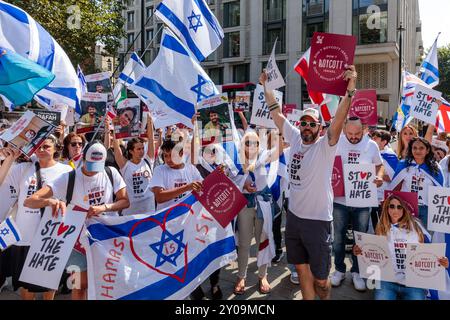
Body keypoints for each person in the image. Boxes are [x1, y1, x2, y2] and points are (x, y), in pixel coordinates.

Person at [261, 65, 358, 300]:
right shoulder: (294, 137)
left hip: (318, 223)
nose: (306, 127)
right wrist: (265, 86)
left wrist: (350, 89)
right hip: (294, 219)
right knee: (302, 269)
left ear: (319, 128)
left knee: (322, 282)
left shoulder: (326, 146)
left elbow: (339, 118)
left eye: (311, 124)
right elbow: (276, 112)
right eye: (303, 123)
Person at [24, 141, 130, 300]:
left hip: (105, 238)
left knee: (107, 283)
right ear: (83, 159)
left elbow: (125, 201)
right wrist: (49, 201)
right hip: (76, 243)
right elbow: (29, 201)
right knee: (79, 286)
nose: (93, 172)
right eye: (89, 166)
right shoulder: (68, 178)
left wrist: (104, 207)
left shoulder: (111, 172)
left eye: (97, 167)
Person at [0, 135, 73, 300]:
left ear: (56, 148)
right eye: (38, 146)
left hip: (52, 237)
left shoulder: (66, 170)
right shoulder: (23, 168)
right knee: (26, 287)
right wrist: (9, 158)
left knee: (49, 284)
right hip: (24, 235)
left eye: (46, 146)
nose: (41, 150)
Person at [353, 194, 448, 300]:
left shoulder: (416, 225)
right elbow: (370, 250)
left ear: (404, 209)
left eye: (399, 207)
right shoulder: (381, 227)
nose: (395, 210)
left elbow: (432, 249)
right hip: (387, 281)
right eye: (392, 206)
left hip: (413, 283)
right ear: (387, 208)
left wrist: (441, 260)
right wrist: (359, 250)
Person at [331, 117, 384, 291]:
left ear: (365, 129)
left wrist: (380, 177)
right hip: (340, 200)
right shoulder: (337, 142)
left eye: (357, 134)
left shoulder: (372, 145)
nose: (353, 137)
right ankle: (339, 269)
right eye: (350, 134)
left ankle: (357, 272)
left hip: (363, 200)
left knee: (360, 237)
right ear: (344, 129)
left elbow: (379, 166)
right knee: (338, 238)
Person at [232, 129, 283, 296]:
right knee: (244, 243)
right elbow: (232, 182)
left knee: (264, 240)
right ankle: (241, 277)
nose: (251, 146)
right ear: (242, 144)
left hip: (262, 205)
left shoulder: (265, 156)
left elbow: (279, 151)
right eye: (247, 142)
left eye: (255, 142)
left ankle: (263, 276)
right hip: (244, 206)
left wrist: (280, 133)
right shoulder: (236, 161)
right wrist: (244, 185)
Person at [390, 137, 444, 228]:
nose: (417, 151)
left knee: (424, 239)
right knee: (406, 236)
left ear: (427, 150)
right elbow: (396, 186)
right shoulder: (403, 165)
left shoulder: (435, 168)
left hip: (426, 209)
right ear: (411, 150)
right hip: (406, 207)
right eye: (414, 148)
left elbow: (440, 190)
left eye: (421, 148)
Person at [111, 116, 156, 215]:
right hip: (131, 210)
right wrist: (115, 128)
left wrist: (149, 121)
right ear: (131, 151)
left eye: (142, 148)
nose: (141, 151)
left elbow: (151, 140)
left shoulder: (148, 161)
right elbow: (116, 147)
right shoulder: (125, 165)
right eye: (138, 149)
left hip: (149, 208)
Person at [150, 139, 203, 211]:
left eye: (172, 155)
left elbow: (204, 188)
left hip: (187, 218)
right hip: (168, 219)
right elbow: (159, 197)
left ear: (181, 153)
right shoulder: (159, 170)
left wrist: (218, 176)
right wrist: (187, 187)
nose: (168, 160)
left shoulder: (191, 169)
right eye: (166, 156)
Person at [370, 130, 398, 230]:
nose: (372, 140)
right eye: (372, 137)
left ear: (384, 142)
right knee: (372, 225)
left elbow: (394, 178)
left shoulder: (390, 156)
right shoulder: (368, 152)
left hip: (383, 197)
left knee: (384, 225)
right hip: (369, 195)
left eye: (376, 138)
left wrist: (376, 175)